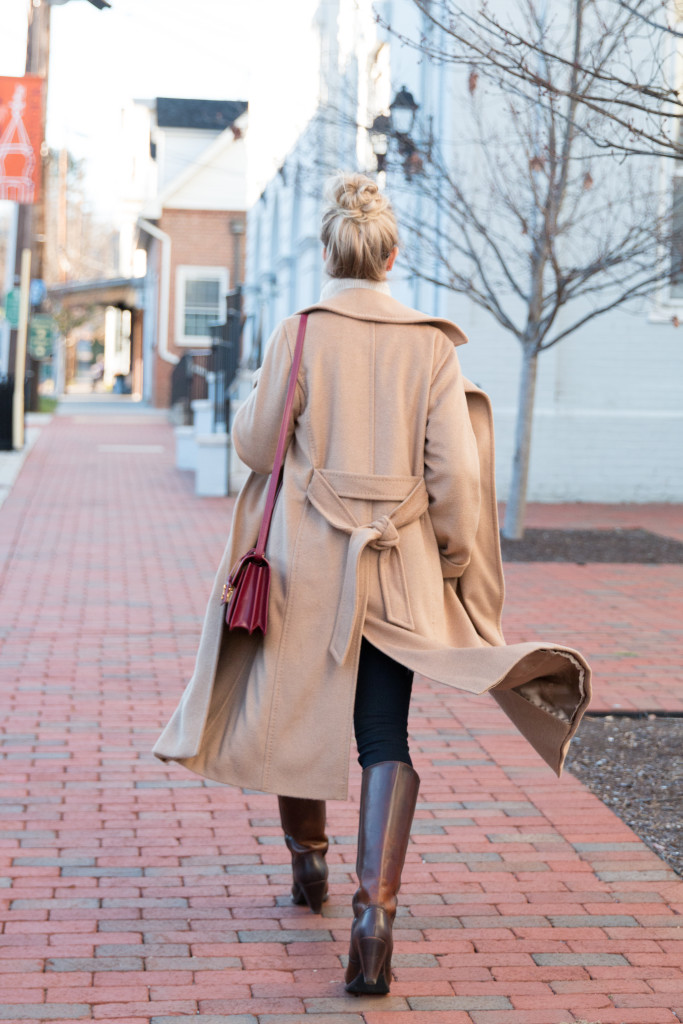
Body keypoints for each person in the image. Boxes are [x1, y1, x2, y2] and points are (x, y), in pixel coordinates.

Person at [154, 172, 591, 996]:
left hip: (304, 569)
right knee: (382, 737)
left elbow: (254, 447)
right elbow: (455, 473)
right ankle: (373, 915)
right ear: (390, 256)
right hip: (394, 570)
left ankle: (308, 869)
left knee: (296, 719)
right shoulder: (430, 344)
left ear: (329, 252)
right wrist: (454, 563)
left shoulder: (301, 332)